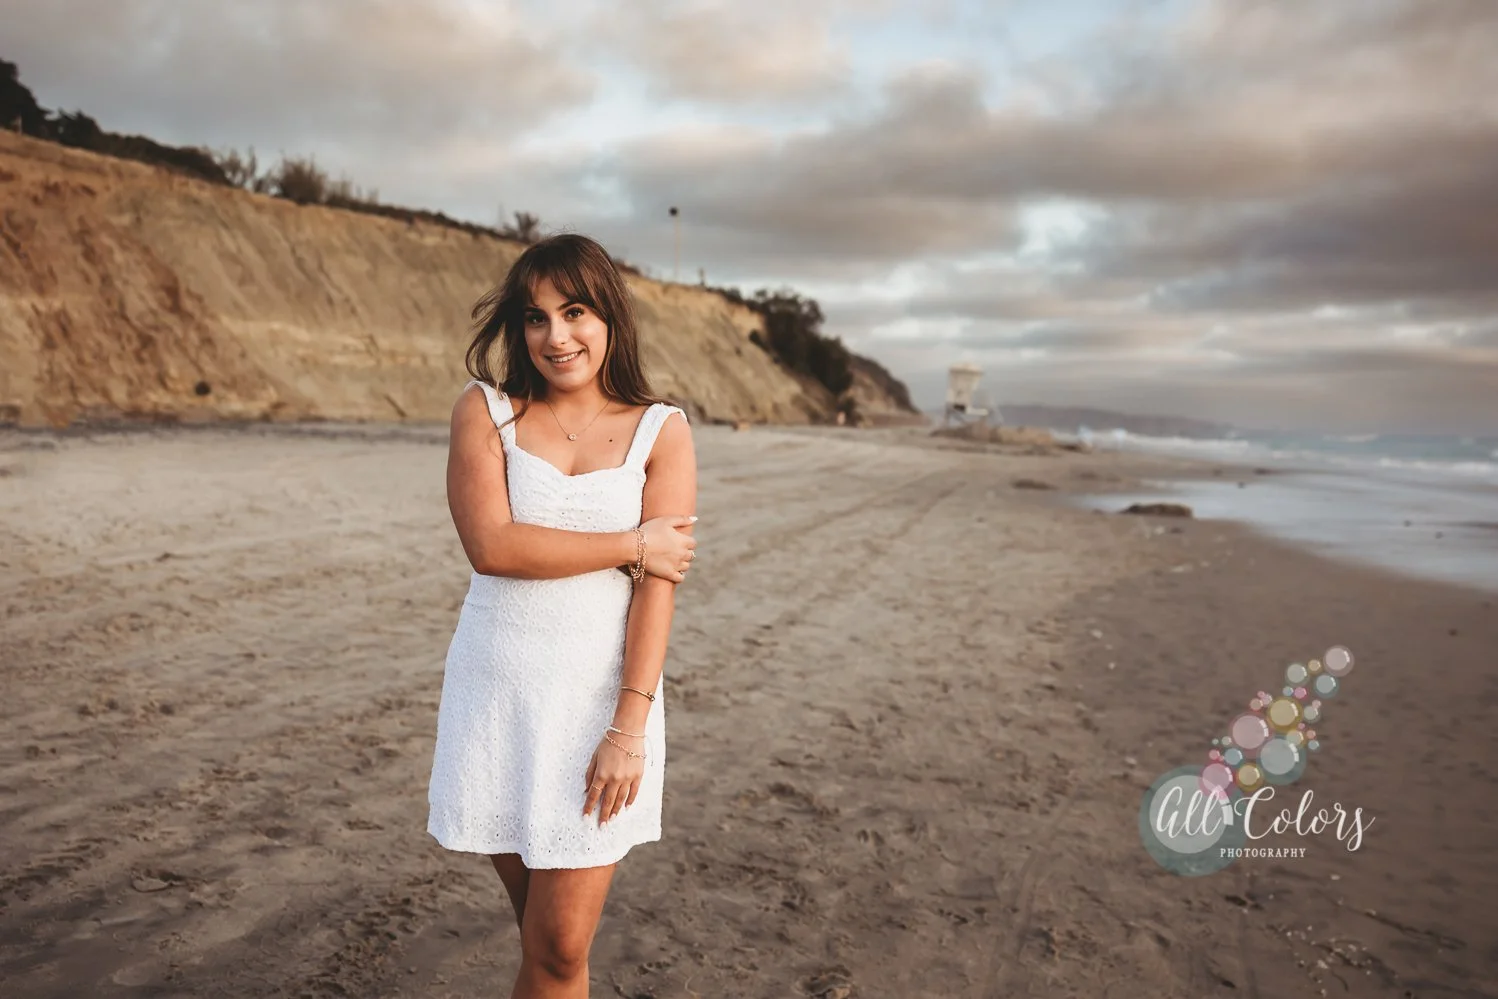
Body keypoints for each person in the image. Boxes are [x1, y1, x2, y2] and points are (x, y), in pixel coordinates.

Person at [427, 233, 698, 996]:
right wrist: (630, 541)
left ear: (609, 315)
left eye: (574, 311)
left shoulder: (661, 430)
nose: (556, 335)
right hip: (497, 698)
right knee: (543, 944)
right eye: (535, 317)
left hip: (598, 707)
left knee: (559, 944)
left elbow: (658, 586)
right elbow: (493, 545)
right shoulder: (487, 413)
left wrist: (629, 727)